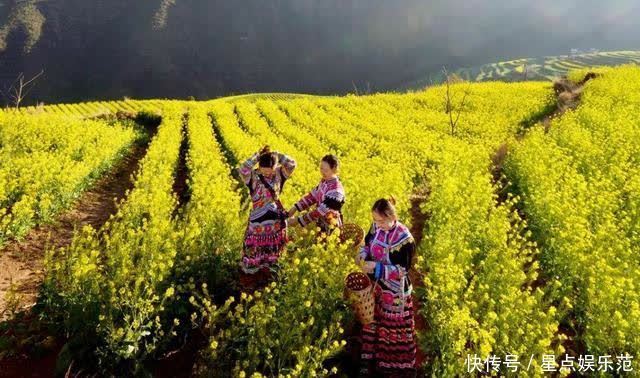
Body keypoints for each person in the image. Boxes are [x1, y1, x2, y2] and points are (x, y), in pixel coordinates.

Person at [355, 197, 417, 377]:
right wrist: (361, 255)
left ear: (392, 216)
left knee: (391, 328)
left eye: (381, 220)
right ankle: (368, 360)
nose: (377, 224)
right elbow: (367, 245)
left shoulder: (404, 239)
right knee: (371, 321)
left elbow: (403, 270)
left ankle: (393, 367)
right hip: (375, 287)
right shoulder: (375, 227)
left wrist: (376, 267)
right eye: (375, 220)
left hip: (394, 291)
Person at [237, 145, 296, 291]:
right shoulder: (253, 176)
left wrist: (276, 154)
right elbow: (242, 169)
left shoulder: (279, 175)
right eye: (264, 168)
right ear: (259, 166)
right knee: (254, 252)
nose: (267, 172)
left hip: (275, 223)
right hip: (257, 224)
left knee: (272, 252)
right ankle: (252, 281)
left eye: (270, 168)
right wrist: (258, 156)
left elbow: (292, 164)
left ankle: (269, 278)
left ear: (275, 166)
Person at [286, 154, 346, 234]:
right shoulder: (324, 181)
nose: (322, 172)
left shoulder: (337, 191)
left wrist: (298, 220)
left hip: (329, 228)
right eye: (321, 168)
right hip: (318, 223)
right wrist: (295, 207)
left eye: (326, 170)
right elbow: (313, 196)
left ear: (334, 169)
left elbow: (321, 211)